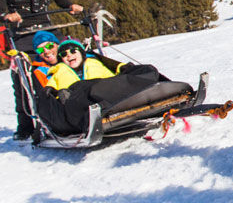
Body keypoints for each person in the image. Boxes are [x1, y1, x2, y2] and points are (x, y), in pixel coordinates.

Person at [0, 0, 83, 141]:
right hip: (21, 36)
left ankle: (78, 104)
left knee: (71, 60)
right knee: (24, 78)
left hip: (47, 31)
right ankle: (25, 124)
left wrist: (71, 6)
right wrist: (8, 17)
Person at [34, 40, 170, 136]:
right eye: (64, 55)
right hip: (81, 99)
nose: (69, 55)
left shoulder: (95, 63)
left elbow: (115, 76)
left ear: (82, 53)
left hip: (105, 90)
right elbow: (50, 90)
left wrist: (125, 69)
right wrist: (56, 93)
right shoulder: (58, 71)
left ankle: (159, 89)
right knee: (84, 89)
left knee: (145, 70)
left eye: (73, 51)